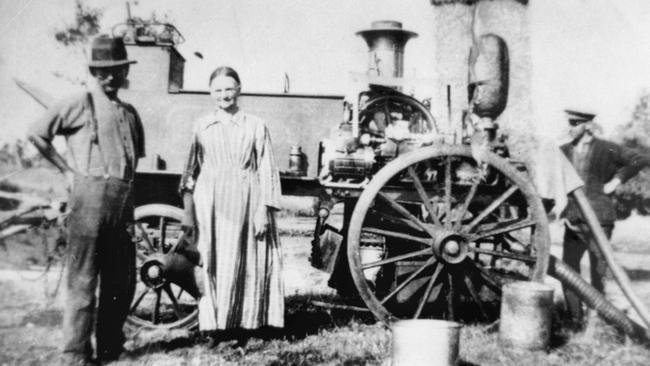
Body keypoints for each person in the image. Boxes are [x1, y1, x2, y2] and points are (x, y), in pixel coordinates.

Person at [27, 35, 144, 365]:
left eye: (115, 70)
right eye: (101, 71)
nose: (109, 77)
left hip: (121, 204)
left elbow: (134, 165)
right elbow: (37, 133)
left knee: (121, 281)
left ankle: (110, 347)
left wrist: (130, 209)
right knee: (83, 281)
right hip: (88, 200)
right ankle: (76, 354)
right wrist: (67, 171)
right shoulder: (78, 102)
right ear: (94, 72)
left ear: (124, 71)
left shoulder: (130, 113)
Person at [179, 66, 284, 338]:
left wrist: (263, 210)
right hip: (211, 204)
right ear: (210, 93)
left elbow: (266, 169)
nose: (224, 95)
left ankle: (247, 325)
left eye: (229, 89)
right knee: (215, 261)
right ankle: (216, 327)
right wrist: (188, 212)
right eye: (218, 90)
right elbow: (190, 171)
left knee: (247, 261)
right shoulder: (202, 125)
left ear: (239, 89)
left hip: (248, 200)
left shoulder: (256, 125)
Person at [560, 109, 649, 328]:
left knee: (598, 273)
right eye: (570, 122)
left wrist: (616, 181)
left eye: (575, 123)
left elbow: (639, 159)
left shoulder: (606, 148)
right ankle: (574, 322)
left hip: (600, 219)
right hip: (573, 220)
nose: (570, 127)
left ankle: (596, 323)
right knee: (568, 272)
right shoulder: (562, 151)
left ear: (588, 126)